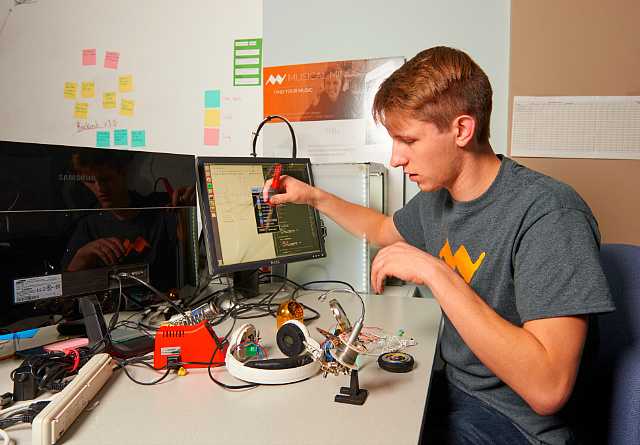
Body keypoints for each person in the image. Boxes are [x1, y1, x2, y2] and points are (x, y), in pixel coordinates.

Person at [265, 46, 615, 444]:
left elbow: (548, 389)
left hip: (518, 425)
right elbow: (382, 229)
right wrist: (311, 196)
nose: (396, 158)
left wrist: (435, 272)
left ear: (461, 130)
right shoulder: (437, 199)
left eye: (408, 140)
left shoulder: (550, 214)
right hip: (454, 391)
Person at [61, 149, 195, 293]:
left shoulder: (161, 207)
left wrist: (189, 212)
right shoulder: (88, 225)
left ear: (123, 173)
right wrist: (84, 254)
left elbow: (189, 247)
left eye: (106, 179)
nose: (100, 188)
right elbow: (63, 290)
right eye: (90, 181)